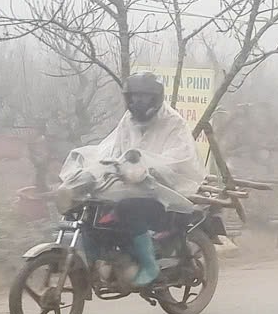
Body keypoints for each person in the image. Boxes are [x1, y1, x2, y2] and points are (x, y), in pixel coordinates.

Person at [65, 73, 206, 288]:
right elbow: (112, 148)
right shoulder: (128, 121)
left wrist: (150, 168)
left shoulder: (173, 123)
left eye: (145, 96)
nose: (138, 102)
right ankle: (109, 259)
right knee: (94, 207)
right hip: (132, 184)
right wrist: (93, 169)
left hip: (167, 191)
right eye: (134, 96)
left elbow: (180, 159)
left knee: (127, 209)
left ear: (156, 97)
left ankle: (149, 265)